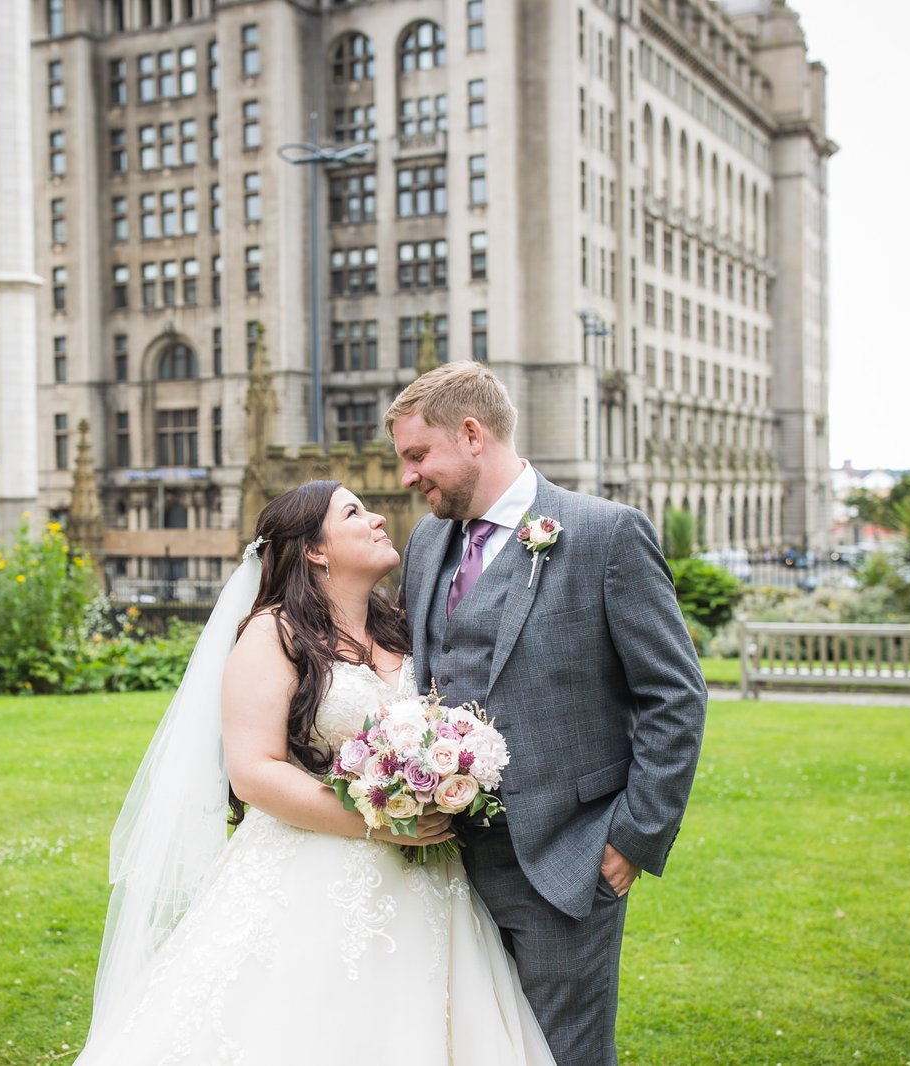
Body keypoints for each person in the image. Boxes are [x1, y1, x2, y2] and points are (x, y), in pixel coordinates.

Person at [75, 480, 556, 1065]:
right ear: (314, 550)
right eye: (354, 512)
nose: (379, 518)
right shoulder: (271, 633)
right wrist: (378, 824)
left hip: (431, 879)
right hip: (312, 872)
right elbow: (252, 771)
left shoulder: (403, 626)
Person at [385, 361, 707, 1066]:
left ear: (472, 434)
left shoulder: (605, 535)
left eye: (417, 456)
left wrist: (633, 838)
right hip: (442, 863)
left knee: (561, 1056)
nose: (408, 478)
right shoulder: (426, 543)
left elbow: (674, 695)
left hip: (566, 860)